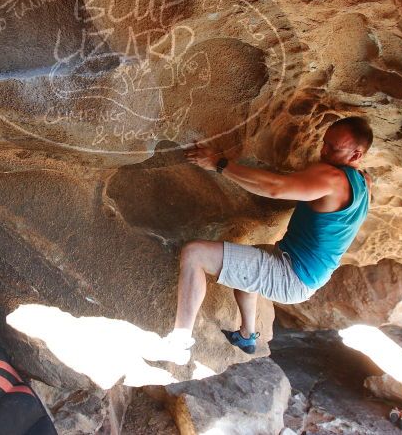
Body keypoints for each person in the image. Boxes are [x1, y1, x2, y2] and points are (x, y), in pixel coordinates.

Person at [150, 116, 373, 364]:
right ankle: (247, 335)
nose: (324, 150)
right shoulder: (364, 183)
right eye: (325, 142)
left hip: (291, 274)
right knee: (247, 262)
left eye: (334, 148)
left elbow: (275, 188)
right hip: (305, 274)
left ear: (355, 155)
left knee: (194, 254)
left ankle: (178, 344)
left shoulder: (332, 178)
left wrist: (218, 163)